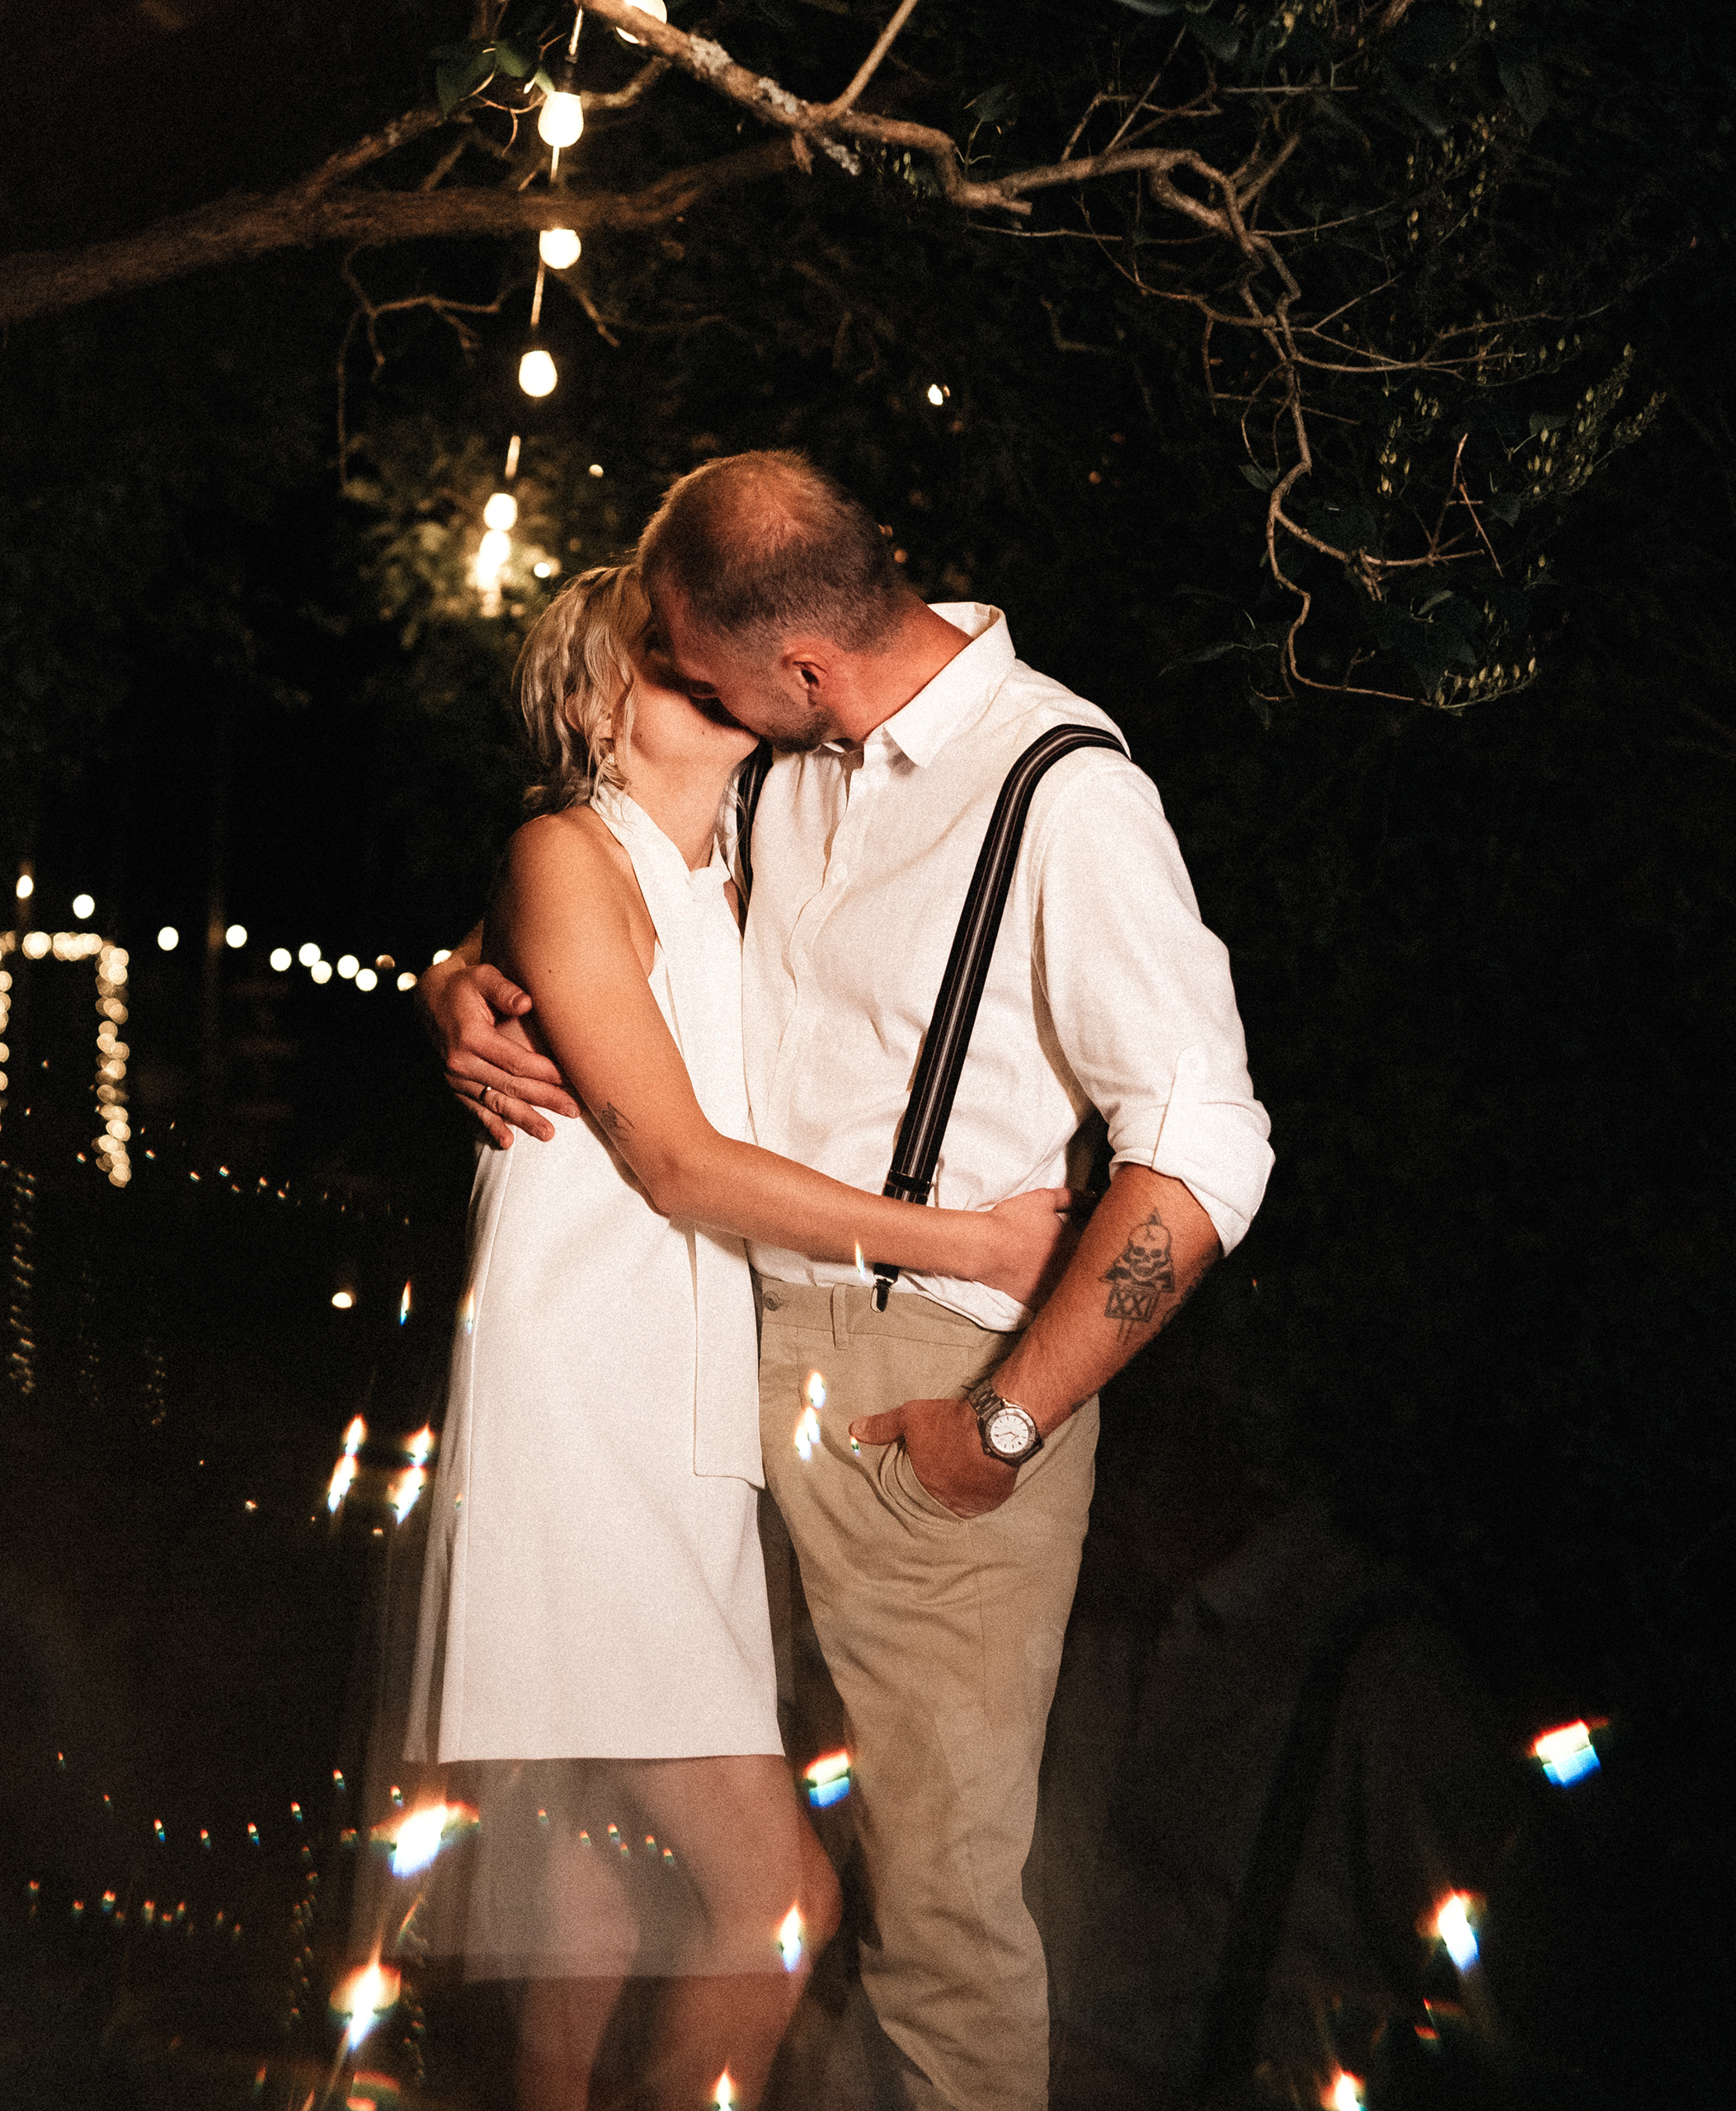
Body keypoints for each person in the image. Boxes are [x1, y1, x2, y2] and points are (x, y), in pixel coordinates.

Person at [426, 451, 1274, 2111]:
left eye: (700, 665)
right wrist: (451, 982)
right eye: (669, 665)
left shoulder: (1061, 790)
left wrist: (1009, 1418)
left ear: (797, 667)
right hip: (702, 1368)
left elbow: (1208, 1150)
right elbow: (583, 900)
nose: (696, 685)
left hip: (927, 1395)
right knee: (637, 1833)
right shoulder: (786, 769)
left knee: (932, 1903)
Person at [398, 562, 1080, 2111]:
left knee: (585, 1888)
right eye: (669, 658)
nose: (716, 673)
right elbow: (677, 1163)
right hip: (587, 1404)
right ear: (595, 704)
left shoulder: (738, 855)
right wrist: (973, 1243)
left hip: (677, 1393)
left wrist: (445, 979)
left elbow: (853, 597)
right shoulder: (568, 851)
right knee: (781, 1897)